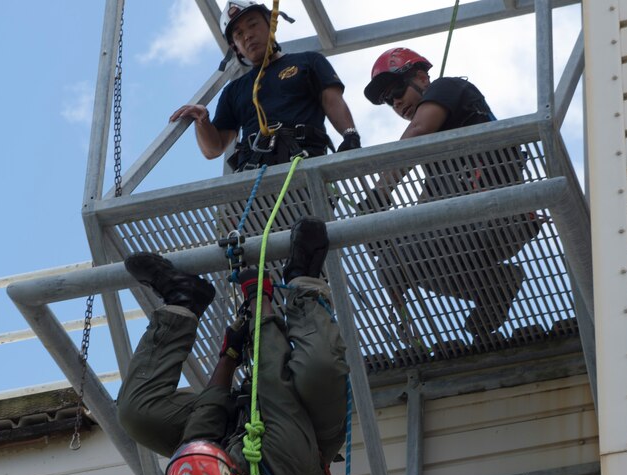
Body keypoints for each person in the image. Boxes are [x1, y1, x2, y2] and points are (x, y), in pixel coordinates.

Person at [117, 217, 350, 475]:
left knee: (136, 413)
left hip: (232, 436)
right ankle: (304, 281)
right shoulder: (283, 467)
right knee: (318, 369)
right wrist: (258, 298)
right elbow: (272, 382)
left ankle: (183, 300)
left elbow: (204, 422)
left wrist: (228, 353)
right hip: (302, 435)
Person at [361, 47, 541, 345]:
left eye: (397, 90)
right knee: (395, 262)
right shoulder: (439, 167)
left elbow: (417, 130)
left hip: (494, 215)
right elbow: (424, 214)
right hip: (477, 228)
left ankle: (493, 287)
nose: (395, 102)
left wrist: (379, 195)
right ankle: (497, 285)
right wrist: (384, 235)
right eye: (387, 101)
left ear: (420, 77)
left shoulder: (448, 87)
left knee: (396, 259)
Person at [169, 1, 361, 172]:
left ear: (271, 24)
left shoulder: (308, 62)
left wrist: (350, 135)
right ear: (235, 47)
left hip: (303, 164)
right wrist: (203, 120)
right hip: (253, 175)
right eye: (239, 34)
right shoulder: (234, 91)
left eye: (253, 25)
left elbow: (332, 100)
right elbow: (214, 149)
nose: (248, 36)